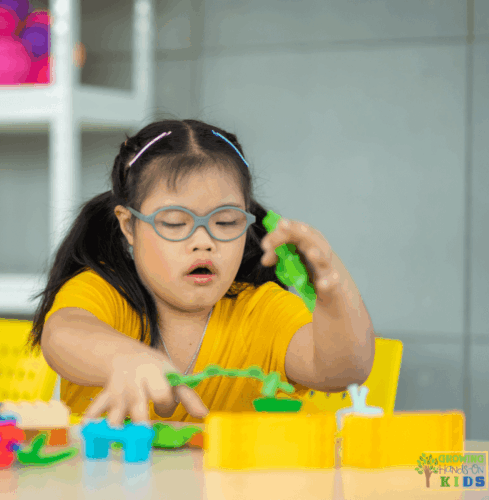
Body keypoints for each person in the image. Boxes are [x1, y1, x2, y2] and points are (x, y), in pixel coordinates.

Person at [27, 119, 374, 428]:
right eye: (175, 223)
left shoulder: (262, 311)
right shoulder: (105, 291)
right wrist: (124, 358)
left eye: (226, 222)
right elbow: (62, 334)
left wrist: (333, 288)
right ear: (129, 225)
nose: (204, 242)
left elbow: (342, 371)